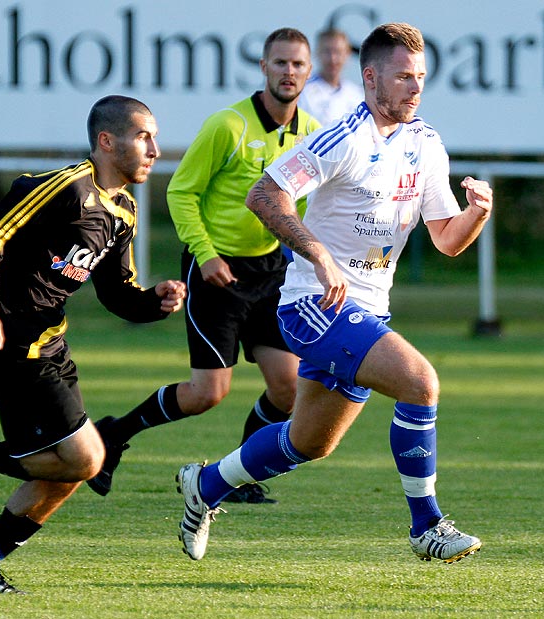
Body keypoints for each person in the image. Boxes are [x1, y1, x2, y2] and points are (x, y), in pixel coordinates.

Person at [174, 22, 493, 564]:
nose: (415, 89)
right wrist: (318, 255)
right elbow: (264, 194)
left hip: (369, 311)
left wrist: (476, 215)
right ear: (370, 78)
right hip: (312, 306)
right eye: (403, 77)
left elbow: (446, 240)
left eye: (421, 78)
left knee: (308, 443)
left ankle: (202, 487)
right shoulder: (342, 137)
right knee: (421, 382)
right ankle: (427, 526)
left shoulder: (426, 144)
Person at [0, 95, 186, 594]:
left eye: (154, 136)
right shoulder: (66, 188)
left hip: (51, 347)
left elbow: (116, 293)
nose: (154, 148)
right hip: (10, 343)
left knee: (68, 469)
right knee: (86, 459)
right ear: (107, 142)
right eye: (143, 136)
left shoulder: (124, 211)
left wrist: (153, 301)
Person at [85, 28, 320, 505]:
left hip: (270, 272)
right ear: (263, 67)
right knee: (207, 393)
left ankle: (233, 475)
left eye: (297, 64)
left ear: (308, 70)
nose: (288, 73)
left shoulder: (312, 134)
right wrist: (206, 253)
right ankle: (114, 434)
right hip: (216, 272)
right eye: (280, 63)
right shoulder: (228, 126)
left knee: (289, 387)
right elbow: (181, 191)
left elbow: (307, 207)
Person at [299, 27, 364, 125]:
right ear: (317, 53)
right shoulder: (302, 92)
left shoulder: (357, 95)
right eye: (327, 52)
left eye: (338, 52)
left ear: (347, 55)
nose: (332, 59)